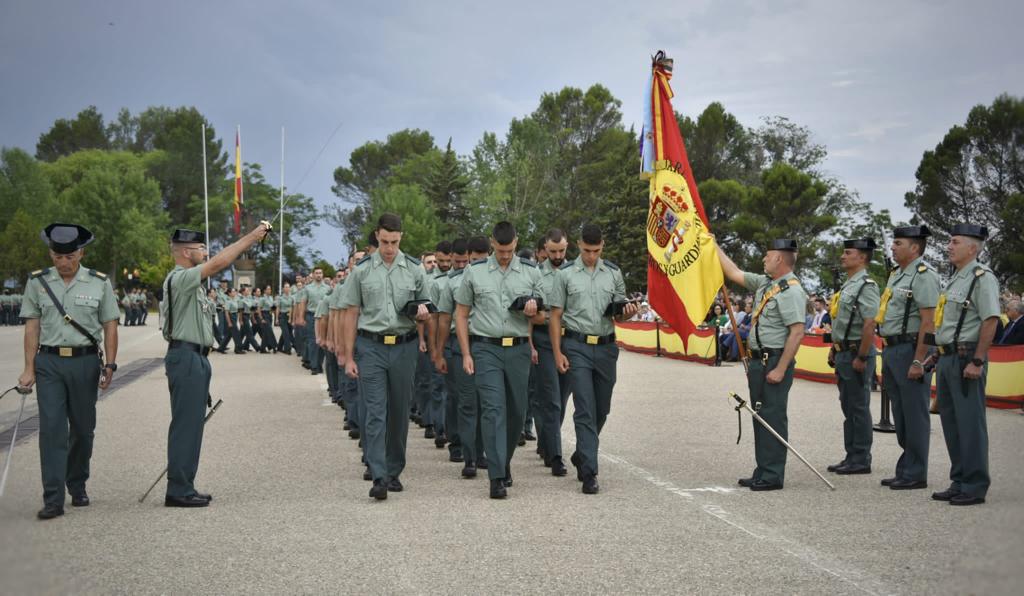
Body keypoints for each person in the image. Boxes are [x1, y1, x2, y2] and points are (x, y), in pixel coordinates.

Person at [160, 223, 270, 507]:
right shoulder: (181, 278)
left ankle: (185, 483)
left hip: (196, 358)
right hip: (185, 357)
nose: (205, 253)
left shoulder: (191, 283)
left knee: (193, 425)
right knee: (186, 426)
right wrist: (252, 237)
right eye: (200, 249)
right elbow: (220, 263)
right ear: (186, 252)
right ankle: (178, 490)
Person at [18, 223, 120, 520]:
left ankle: (77, 483)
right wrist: (28, 369)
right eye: (57, 257)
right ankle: (53, 497)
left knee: (83, 429)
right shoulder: (37, 283)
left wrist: (110, 364)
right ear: (51, 253)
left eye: (69, 257)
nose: (63, 262)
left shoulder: (99, 283)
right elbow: (32, 327)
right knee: (51, 430)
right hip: (49, 363)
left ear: (81, 253)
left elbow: (110, 325)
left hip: (85, 363)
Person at [340, 213, 435, 500]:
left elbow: (428, 308)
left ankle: (394, 470)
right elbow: (351, 313)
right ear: (377, 237)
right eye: (384, 242)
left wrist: (423, 313)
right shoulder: (362, 270)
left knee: (399, 411)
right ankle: (378, 473)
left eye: (394, 242)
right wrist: (348, 357)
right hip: (371, 347)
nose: (389, 248)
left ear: (401, 238)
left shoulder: (415, 270)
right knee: (375, 410)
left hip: (404, 346)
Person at [454, 221, 542, 499]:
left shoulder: (531, 272)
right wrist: (467, 353)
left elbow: (545, 315)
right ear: (493, 243)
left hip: (517, 349)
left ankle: (503, 462)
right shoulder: (474, 272)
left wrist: (532, 312)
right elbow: (461, 313)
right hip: (485, 348)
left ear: (516, 242)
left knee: (517, 412)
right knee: (493, 409)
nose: (505, 255)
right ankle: (496, 476)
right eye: (500, 250)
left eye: (509, 250)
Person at [549, 224, 637, 494]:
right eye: (587, 250)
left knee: (602, 409)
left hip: (607, 348)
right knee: (585, 408)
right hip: (576, 346)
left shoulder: (612, 273)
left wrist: (628, 312)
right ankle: (590, 472)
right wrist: (557, 353)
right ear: (578, 245)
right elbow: (555, 315)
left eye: (596, 250)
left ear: (603, 246)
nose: (591, 256)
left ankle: (582, 453)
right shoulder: (564, 275)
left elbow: (618, 313)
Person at [716, 238, 807, 491]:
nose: (764, 259)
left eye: (767, 255)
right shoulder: (766, 284)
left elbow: (797, 332)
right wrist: (712, 245)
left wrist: (780, 368)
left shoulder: (791, 291)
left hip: (775, 360)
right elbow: (733, 272)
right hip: (759, 361)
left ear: (779, 258)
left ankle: (773, 474)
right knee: (759, 415)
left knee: (773, 417)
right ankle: (763, 469)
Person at [931, 224, 1000, 506]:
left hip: (966, 357)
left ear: (972, 248)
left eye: (954, 241)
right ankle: (959, 479)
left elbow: (990, 319)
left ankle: (974, 484)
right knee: (952, 422)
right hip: (948, 357)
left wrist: (978, 359)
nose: (948, 246)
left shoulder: (981, 278)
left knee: (970, 423)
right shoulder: (956, 278)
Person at [876, 225, 940, 490]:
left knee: (914, 413)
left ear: (914, 247)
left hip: (910, 349)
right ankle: (906, 467)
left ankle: (916, 472)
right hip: (892, 348)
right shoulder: (896, 274)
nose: (892, 247)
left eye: (898, 243)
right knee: (900, 413)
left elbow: (928, 321)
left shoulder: (924, 275)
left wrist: (919, 360)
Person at [435, 237, 490, 478]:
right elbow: (445, 318)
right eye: (474, 259)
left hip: (489, 345)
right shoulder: (454, 282)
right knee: (467, 403)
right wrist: (439, 352)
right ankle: (470, 456)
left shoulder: (495, 277)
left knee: (486, 403)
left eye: (482, 258)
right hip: (459, 345)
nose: (478, 262)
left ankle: (481, 452)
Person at [825, 238, 880, 476]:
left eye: (848, 252)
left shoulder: (866, 285)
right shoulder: (849, 285)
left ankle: (861, 457)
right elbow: (842, 322)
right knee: (848, 406)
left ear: (862, 258)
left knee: (858, 406)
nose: (843, 256)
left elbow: (869, 323)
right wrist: (834, 348)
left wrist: (862, 356)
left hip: (857, 352)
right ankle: (851, 454)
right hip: (844, 352)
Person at [529, 228, 573, 476]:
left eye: (562, 251)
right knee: (551, 398)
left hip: (570, 340)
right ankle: (556, 456)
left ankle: (547, 441)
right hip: (545, 340)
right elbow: (531, 316)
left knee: (563, 398)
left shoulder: (574, 273)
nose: (557, 255)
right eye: (553, 251)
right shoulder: (535, 276)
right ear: (545, 248)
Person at [297, 268, 329, 374]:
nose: (319, 275)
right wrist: (301, 318)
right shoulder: (308, 288)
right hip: (311, 316)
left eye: (320, 273)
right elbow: (303, 303)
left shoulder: (328, 288)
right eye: (317, 273)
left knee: (322, 341)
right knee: (312, 341)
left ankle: (319, 364)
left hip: (324, 317)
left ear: (323, 274)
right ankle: (314, 366)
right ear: (313, 275)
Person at [276, 282, 295, 354]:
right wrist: (277, 318)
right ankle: (288, 349)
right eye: (286, 287)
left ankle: (279, 347)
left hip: (290, 316)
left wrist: (292, 318)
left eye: (288, 287)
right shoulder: (280, 298)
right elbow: (278, 308)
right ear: (283, 289)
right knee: (286, 333)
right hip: (283, 316)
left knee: (288, 332)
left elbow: (293, 308)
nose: (287, 288)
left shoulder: (292, 297)